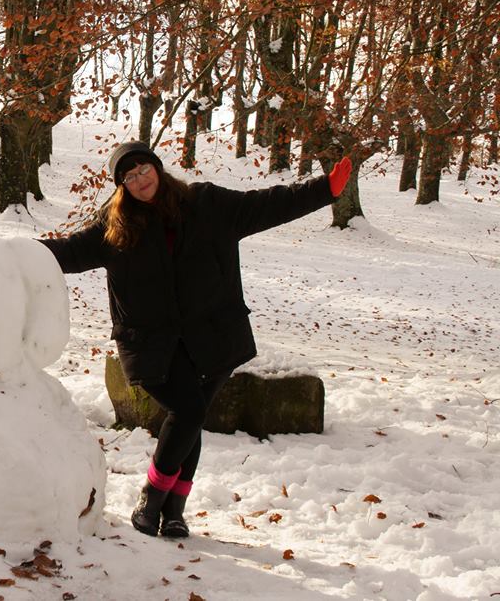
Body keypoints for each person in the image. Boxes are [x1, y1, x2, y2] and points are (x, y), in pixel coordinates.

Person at [39, 141, 352, 538]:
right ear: (121, 186)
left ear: (157, 167)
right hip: (152, 345)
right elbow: (66, 252)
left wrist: (325, 190)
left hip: (213, 338)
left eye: (143, 170)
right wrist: (7, 252)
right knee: (188, 412)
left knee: (190, 418)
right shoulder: (114, 227)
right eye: (129, 177)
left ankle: (174, 512)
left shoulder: (207, 204)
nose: (139, 180)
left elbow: (268, 205)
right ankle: (152, 496)